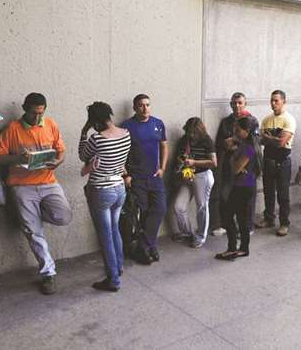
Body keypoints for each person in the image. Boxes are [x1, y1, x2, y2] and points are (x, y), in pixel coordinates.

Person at [0, 92, 72, 295]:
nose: (38, 118)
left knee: (63, 216)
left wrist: (58, 161)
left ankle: (33, 218)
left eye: (41, 113)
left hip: (48, 182)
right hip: (22, 186)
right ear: (24, 108)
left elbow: (60, 150)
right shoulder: (12, 129)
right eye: (34, 113)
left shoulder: (50, 124)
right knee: (33, 232)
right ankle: (48, 273)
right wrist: (17, 158)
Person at [79, 101, 131, 292]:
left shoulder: (97, 138)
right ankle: (119, 267)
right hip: (119, 188)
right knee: (114, 230)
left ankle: (113, 279)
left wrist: (84, 132)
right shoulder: (126, 134)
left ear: (94, 120)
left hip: (101, 190)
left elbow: (82, 156)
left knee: (105, 235)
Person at [121, 94, 168, 265]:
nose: (145, 108)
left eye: (148, 105)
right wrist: (126, 174)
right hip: (136, 178)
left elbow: (164, 145)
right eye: (141, 105)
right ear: (135, 108)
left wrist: (162, 168)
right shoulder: (126, 126)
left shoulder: (158, 124)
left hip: (155, 177)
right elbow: (121, 153)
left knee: (160, 209)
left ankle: (144, 245)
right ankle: (151, 246)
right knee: (143, 212)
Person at [211, 92, 259, 237]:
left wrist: (236, 144)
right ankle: (225, 224)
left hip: (246, 164)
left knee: (247, 198)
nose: (237, 106)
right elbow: (219, 142)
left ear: (245, 104)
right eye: (234, 103)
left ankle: (248, 226)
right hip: (229, 162)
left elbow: (255, 142)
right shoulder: (226, 121)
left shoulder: (252, 120)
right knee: (225, 194)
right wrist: (226, 146)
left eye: (240, 103)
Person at [215, 118, 261, 260]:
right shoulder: (244, 144)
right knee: (241, 218)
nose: (235, 132)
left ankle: (232, 248)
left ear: (246, 131)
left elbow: (235, 169)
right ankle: (243, 249)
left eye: (238, 130)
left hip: (243, 187)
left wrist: (233, 159)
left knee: (228, 215)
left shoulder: (248, 148)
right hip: (243, 185)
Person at [173, 117, 217, 248]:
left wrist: (194, 162)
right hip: (188, 174)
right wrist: (182, 161)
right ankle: (188, 232)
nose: (191, 135)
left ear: (200, 131)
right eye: (189, 132)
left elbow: (214, 163)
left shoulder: (206, 140)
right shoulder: (184, 140)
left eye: (194, 133)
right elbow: (180, 157)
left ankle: (201, 236)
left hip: (203, 175)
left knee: (202, 207)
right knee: (178, 207)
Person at [259, 90, 296, 236]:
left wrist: (270, 138)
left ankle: (284, 223)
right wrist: (272, 138)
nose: (273, 103)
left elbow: (282, 142)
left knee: (283, 194)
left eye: (276, 101)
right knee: (268, 192)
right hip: (268, 160)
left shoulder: (289, 119)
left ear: (283, 101)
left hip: (283, 161)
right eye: (272, 100)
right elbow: (260, 140)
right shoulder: (266, 119)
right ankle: (269, 218)